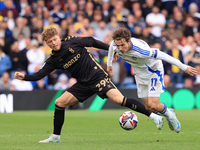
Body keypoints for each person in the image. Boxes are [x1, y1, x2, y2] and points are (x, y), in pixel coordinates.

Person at [14, 27, 163, 143]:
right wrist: (24, 77)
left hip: (97, 77)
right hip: (83, 84)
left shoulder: (72, 42)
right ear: (47, 44)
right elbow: (39, 75)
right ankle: (55, 136)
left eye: (55, 39)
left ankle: (153, 116)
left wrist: (111, 49)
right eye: (50, 42)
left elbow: (91, 41)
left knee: (120, 100)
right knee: (59, 103)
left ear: (59, 37)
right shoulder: (52, 60)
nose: (54, 43)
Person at [107, 27, 197, 133]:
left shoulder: (142, 50)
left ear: (129, 41)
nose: (120, 48)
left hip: (154, 71)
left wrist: (183, 67)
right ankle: (166, 111)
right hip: (140, 74)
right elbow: (111, 48)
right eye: (118, 45)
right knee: (149, 107)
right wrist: (109, 65)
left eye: (122, 45)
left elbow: (163, 55)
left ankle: (170, 115)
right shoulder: (115, 44)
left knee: (154, 104)